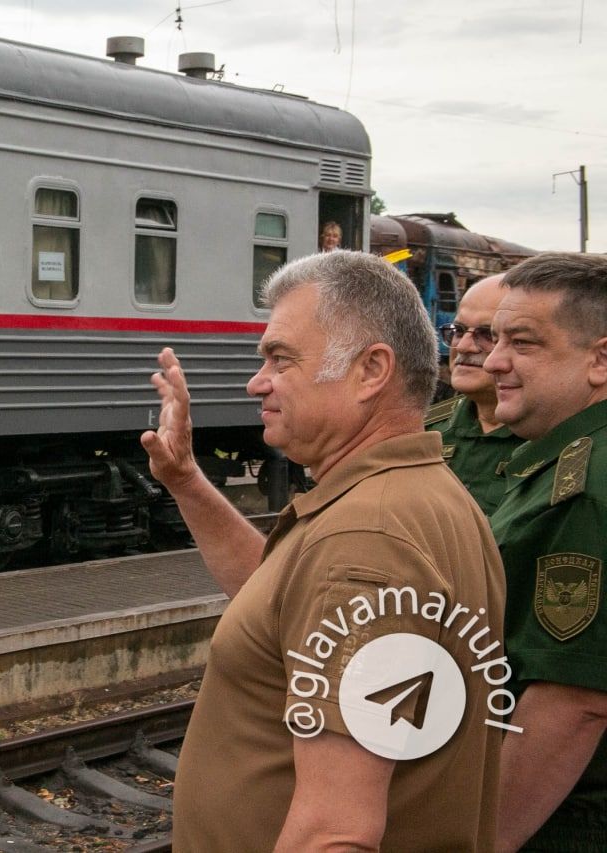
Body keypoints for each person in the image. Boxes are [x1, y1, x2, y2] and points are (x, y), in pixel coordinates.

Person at [142, 250, 505, 850]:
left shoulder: (366, 539)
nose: (257, 382)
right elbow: (283, 610)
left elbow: (335, 832)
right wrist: (185, 479)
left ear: (371, 371)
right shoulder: (421, 497)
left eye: (281, 359)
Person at [485, 252, 607, 852]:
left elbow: (575, 702)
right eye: (495, 339)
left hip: (567, 825)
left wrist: (482, 844)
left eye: (523, 343)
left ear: (600, 360)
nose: (493, 361)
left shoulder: (583, 491)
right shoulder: (566, 462)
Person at [425, 274, 525, 513]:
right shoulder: (423, 429)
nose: (464, 346)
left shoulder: (548, 437)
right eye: (458, 330)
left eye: (486, 334)